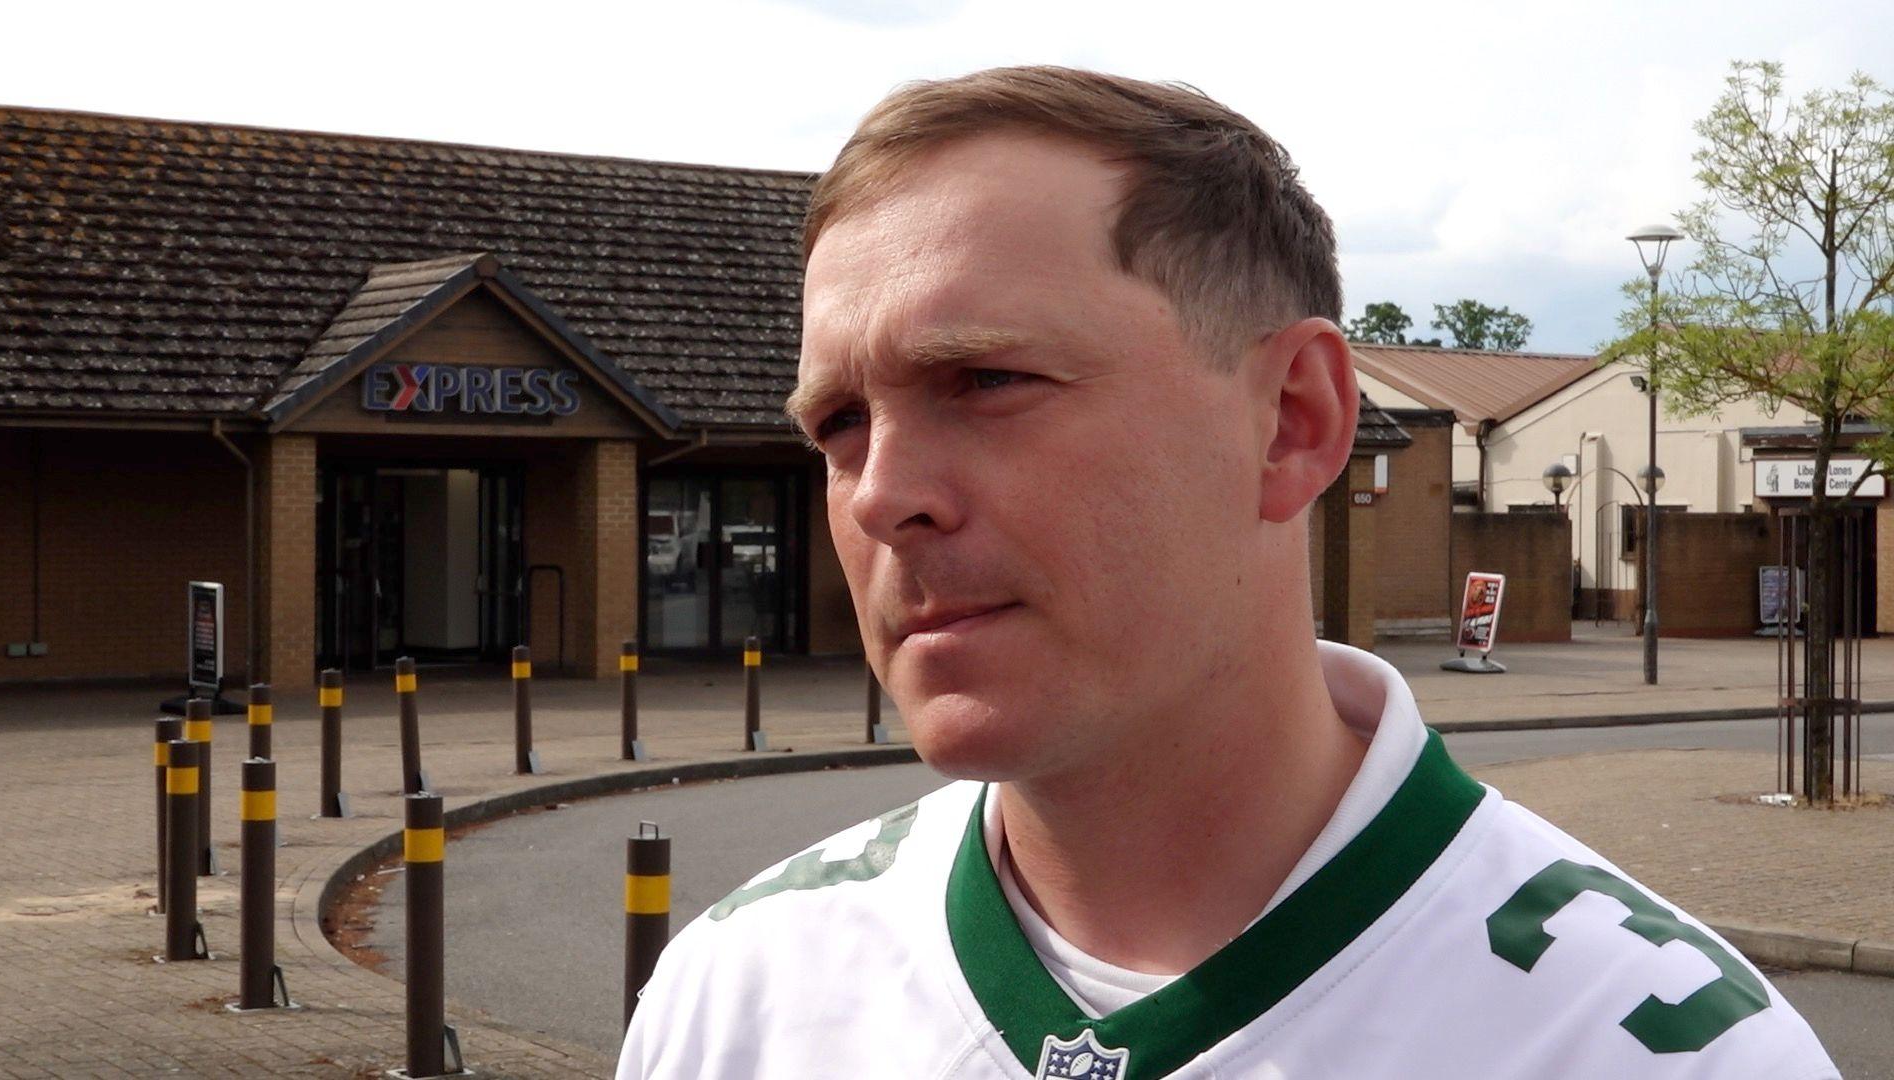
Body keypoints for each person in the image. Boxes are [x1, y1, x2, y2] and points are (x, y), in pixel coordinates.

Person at [615, 66, 1836, 1079]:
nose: (882, 493)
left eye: (985, 382)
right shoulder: (741, 991)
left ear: (1294, 422)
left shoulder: (1649, 1051)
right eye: (837, 423)